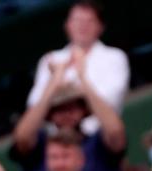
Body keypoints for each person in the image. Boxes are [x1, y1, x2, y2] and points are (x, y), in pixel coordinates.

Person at [13, 53, 126, 171]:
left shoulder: (97, 143)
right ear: (49, 114)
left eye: (72, 107)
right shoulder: (40, 145)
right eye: (59, 109)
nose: (66, 114)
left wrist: (83, 79)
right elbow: (22, 137)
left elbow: (115, 131)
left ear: (83, 110)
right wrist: (53, 82)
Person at [26, 0, 129, 132]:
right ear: (67, 25)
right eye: (78, 20)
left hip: (100, 137)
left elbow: (110, 101)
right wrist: (55, 83)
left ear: (100, 26)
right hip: (58, 139)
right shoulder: (50, 59)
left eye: (89, 21)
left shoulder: (115, 57)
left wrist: (68, 85)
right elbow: (34, 105)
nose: (83, 26)